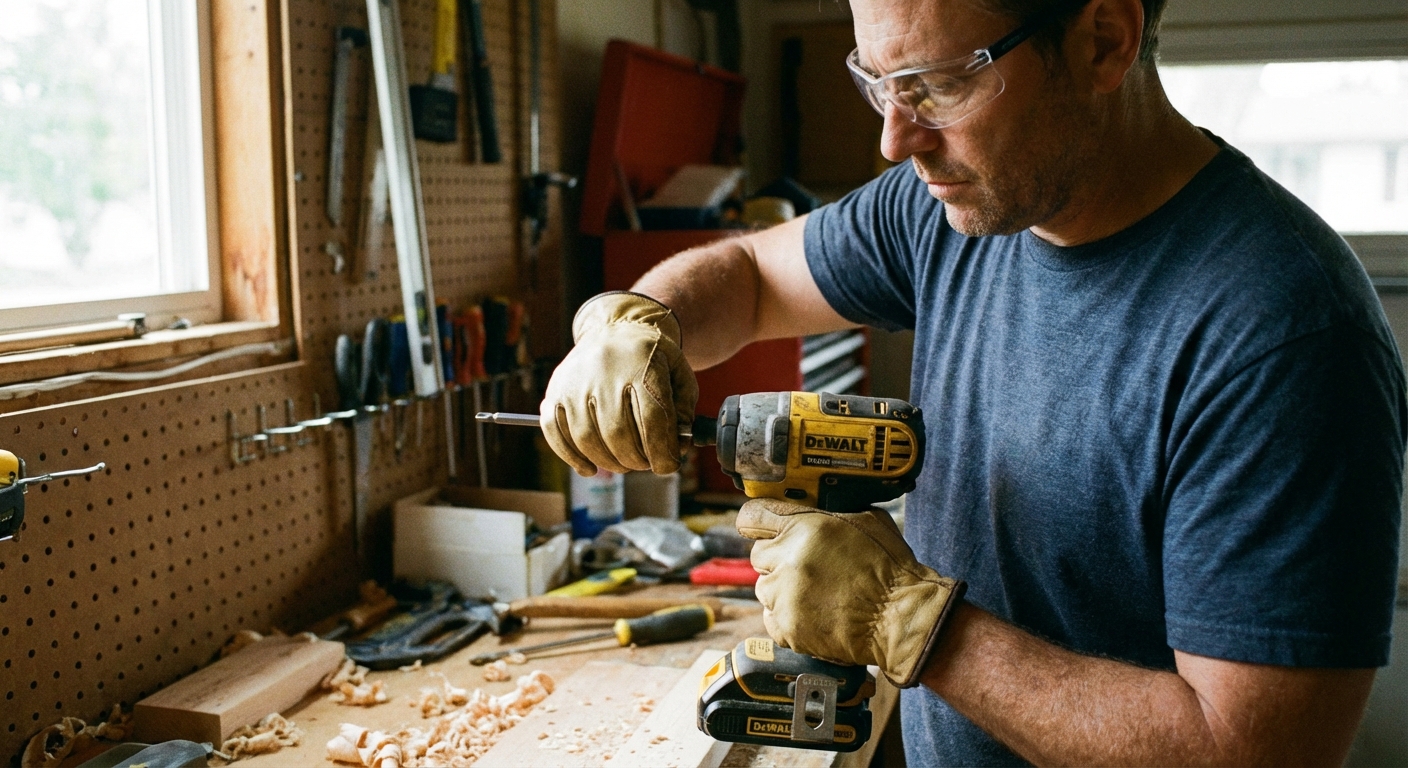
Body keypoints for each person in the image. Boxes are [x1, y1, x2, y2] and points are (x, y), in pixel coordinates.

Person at [540, 0, 1407, 763]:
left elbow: (1251, 753)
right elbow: (750, 273)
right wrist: (638, 318)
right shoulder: (953, 207)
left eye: (939, 85)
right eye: (878, 82)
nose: (895, 139)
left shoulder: (1283, 334)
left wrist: (914, 624)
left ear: (1103, 40)